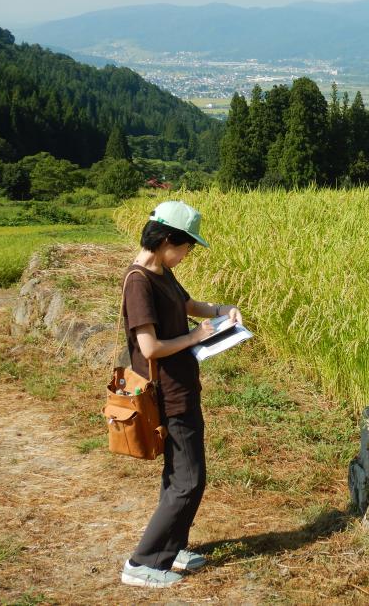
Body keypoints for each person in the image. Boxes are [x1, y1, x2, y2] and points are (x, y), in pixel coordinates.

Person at [119, 200, 243, 589]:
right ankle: (143, 563)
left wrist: (222, 311)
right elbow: (150, 347)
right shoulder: (139, 281)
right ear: (167, 240)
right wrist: (195, 336)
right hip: (166, 394)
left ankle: (172, 548)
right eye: (187, 246)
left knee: (179, 475)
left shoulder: (162, 271)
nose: (188, 254)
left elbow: (189, 305)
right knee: (189, 480)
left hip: (182, 388)